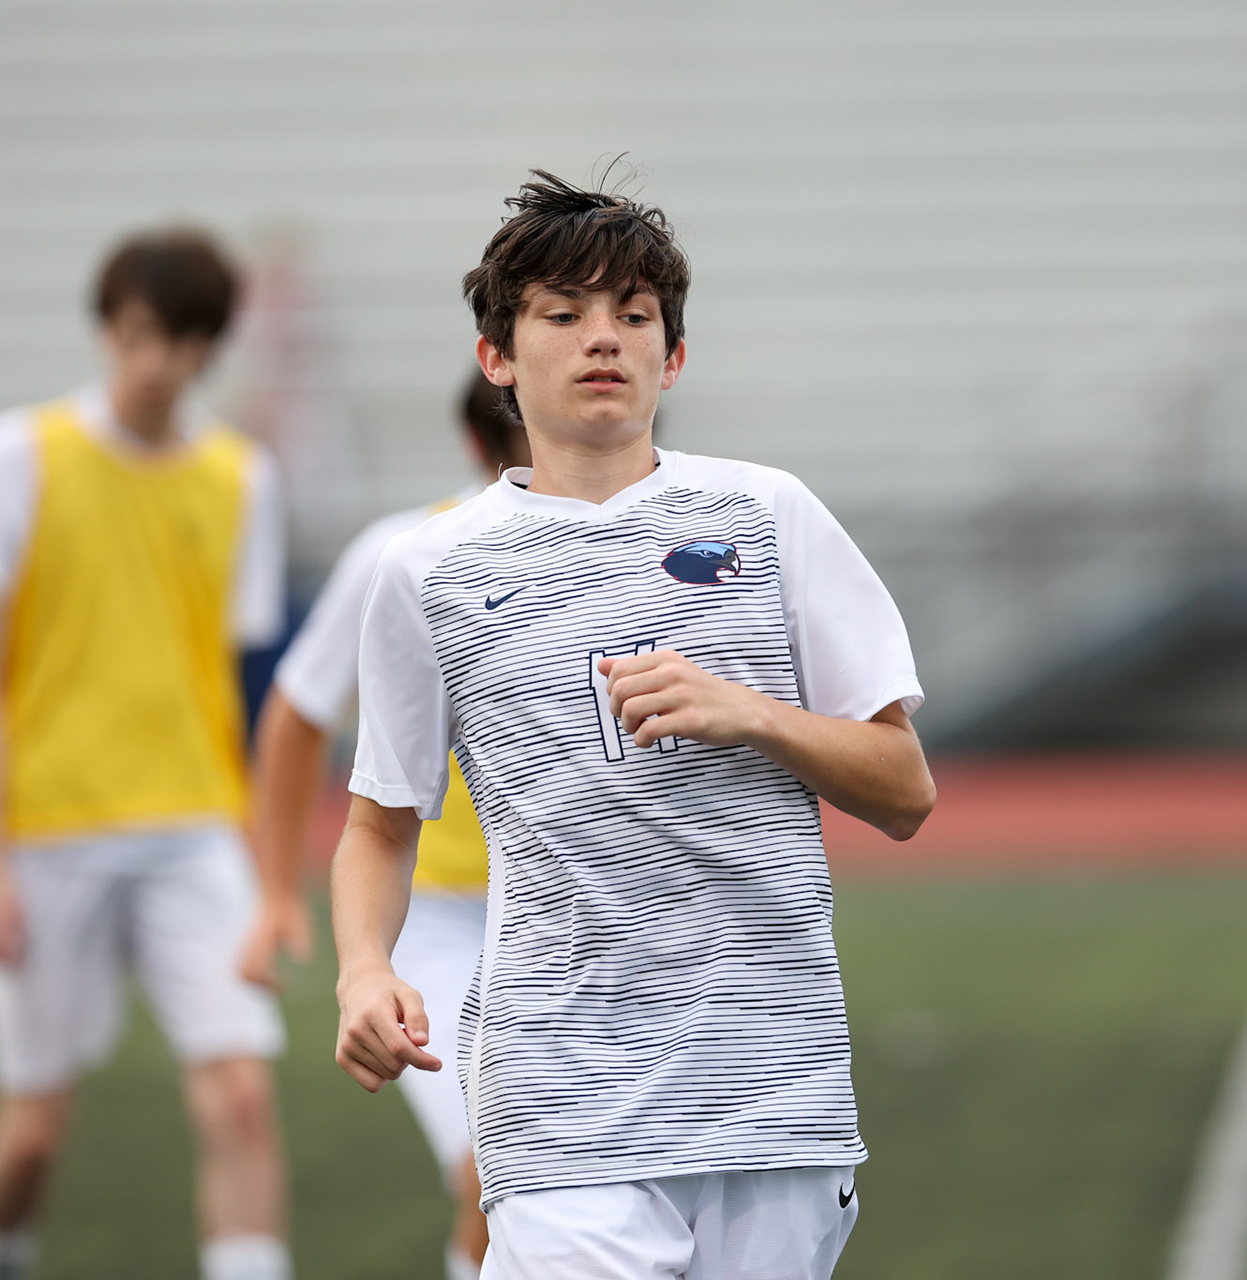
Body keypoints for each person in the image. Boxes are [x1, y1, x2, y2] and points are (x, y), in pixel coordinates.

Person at [330, 171, 936, 1279]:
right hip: (558, 1100)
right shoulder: (427, 570)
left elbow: (904, 789)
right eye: (563, 314)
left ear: (675, 355)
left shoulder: (771, 514)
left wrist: (752, 714)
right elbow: (379, 821)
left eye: (633, 314)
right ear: (497, 357)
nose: (602, 337)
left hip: (772, 1092)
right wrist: (364, 968)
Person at [0, 228, 293, 1280]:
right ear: (106, 329)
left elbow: (250, 692)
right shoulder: (20, 452)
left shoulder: (244, 476)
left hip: (196, 828)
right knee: (31, 1131)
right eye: (137, 333)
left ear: (209, 348)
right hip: (47, 829)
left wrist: (270, 871)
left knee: (241, 1097)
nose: (153, 360)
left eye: (179, 340)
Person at [249, 373, 529, 1280]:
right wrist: (274, 891)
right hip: (441, 918)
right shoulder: (404, 555)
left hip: (585, 916)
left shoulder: (652, 544)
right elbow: (297, 711)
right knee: (492, 1174)